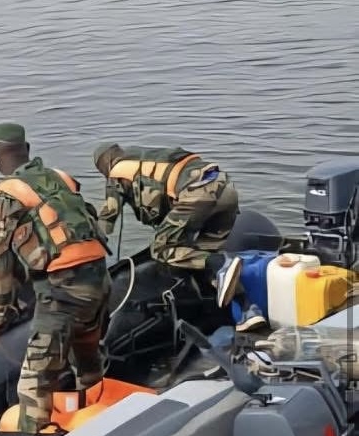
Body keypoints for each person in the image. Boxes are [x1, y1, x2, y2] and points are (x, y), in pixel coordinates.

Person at [0, 122, 113, 434]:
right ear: (27, 149)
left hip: (62, 294)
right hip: (99, 282)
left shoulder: (4, 196)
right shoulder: (61, 179)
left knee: (35, 382)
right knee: (88, 360)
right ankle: (98, 416)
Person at [92, 142, 266, 331]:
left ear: (104, 164)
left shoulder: (117, 172)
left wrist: (90, 252)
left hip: (197, 195)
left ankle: (220, 263)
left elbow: (106, 220)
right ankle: (249, 310)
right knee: (199, 258)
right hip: (225, 189)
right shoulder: (147, 157)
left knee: (161, 249)